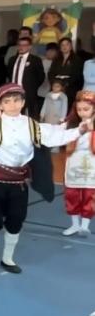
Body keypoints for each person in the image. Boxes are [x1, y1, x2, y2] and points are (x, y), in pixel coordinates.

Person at [0, 83, 89, 274]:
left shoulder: (32, 125)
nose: (13, 105)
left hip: (18, 184)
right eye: (7, 102)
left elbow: (54, 136)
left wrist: (79, 131)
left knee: (16, 221)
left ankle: (8, 258)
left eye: (17, 100)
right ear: (0, 105)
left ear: (23, 102)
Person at [61, 91, 95, 236]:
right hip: (74, 162)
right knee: (72, 194)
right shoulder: (71, 125)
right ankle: (75, 224)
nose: (82, 112)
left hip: (91, 163)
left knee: (90, 195)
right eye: (79, 109)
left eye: (86, 109)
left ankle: (84, 226)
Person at [7, 36, 45, 119]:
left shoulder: (35, 60)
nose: (21, 47)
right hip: (14, 91)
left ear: (30, 47)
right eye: (20, 45)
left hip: (29, 92)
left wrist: (32, 87)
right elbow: (9, 74)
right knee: (14, 113)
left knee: (32, 114)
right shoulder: (12, 59)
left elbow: (41, 76)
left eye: (24, 45)